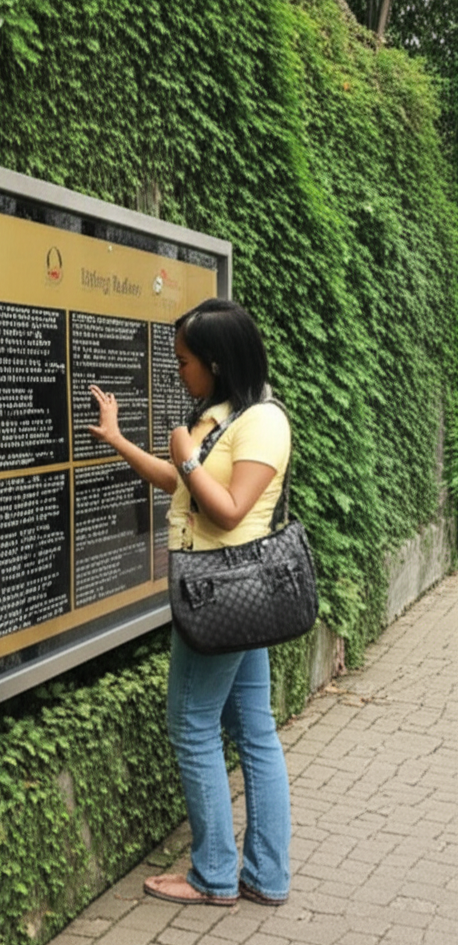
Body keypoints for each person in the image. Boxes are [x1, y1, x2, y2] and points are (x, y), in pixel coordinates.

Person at [88, 298, 292, 908]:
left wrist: (184, 452)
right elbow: (184, 484)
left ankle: (213, 876)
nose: (177, 372)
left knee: (191, 725)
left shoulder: (262, 421)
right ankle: (265, 874)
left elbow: (226, 510)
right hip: (230, 593)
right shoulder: (223, 415)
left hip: (221, 594)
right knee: (252, 728)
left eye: (183, 362)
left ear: (215, 361)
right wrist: (119, 440)